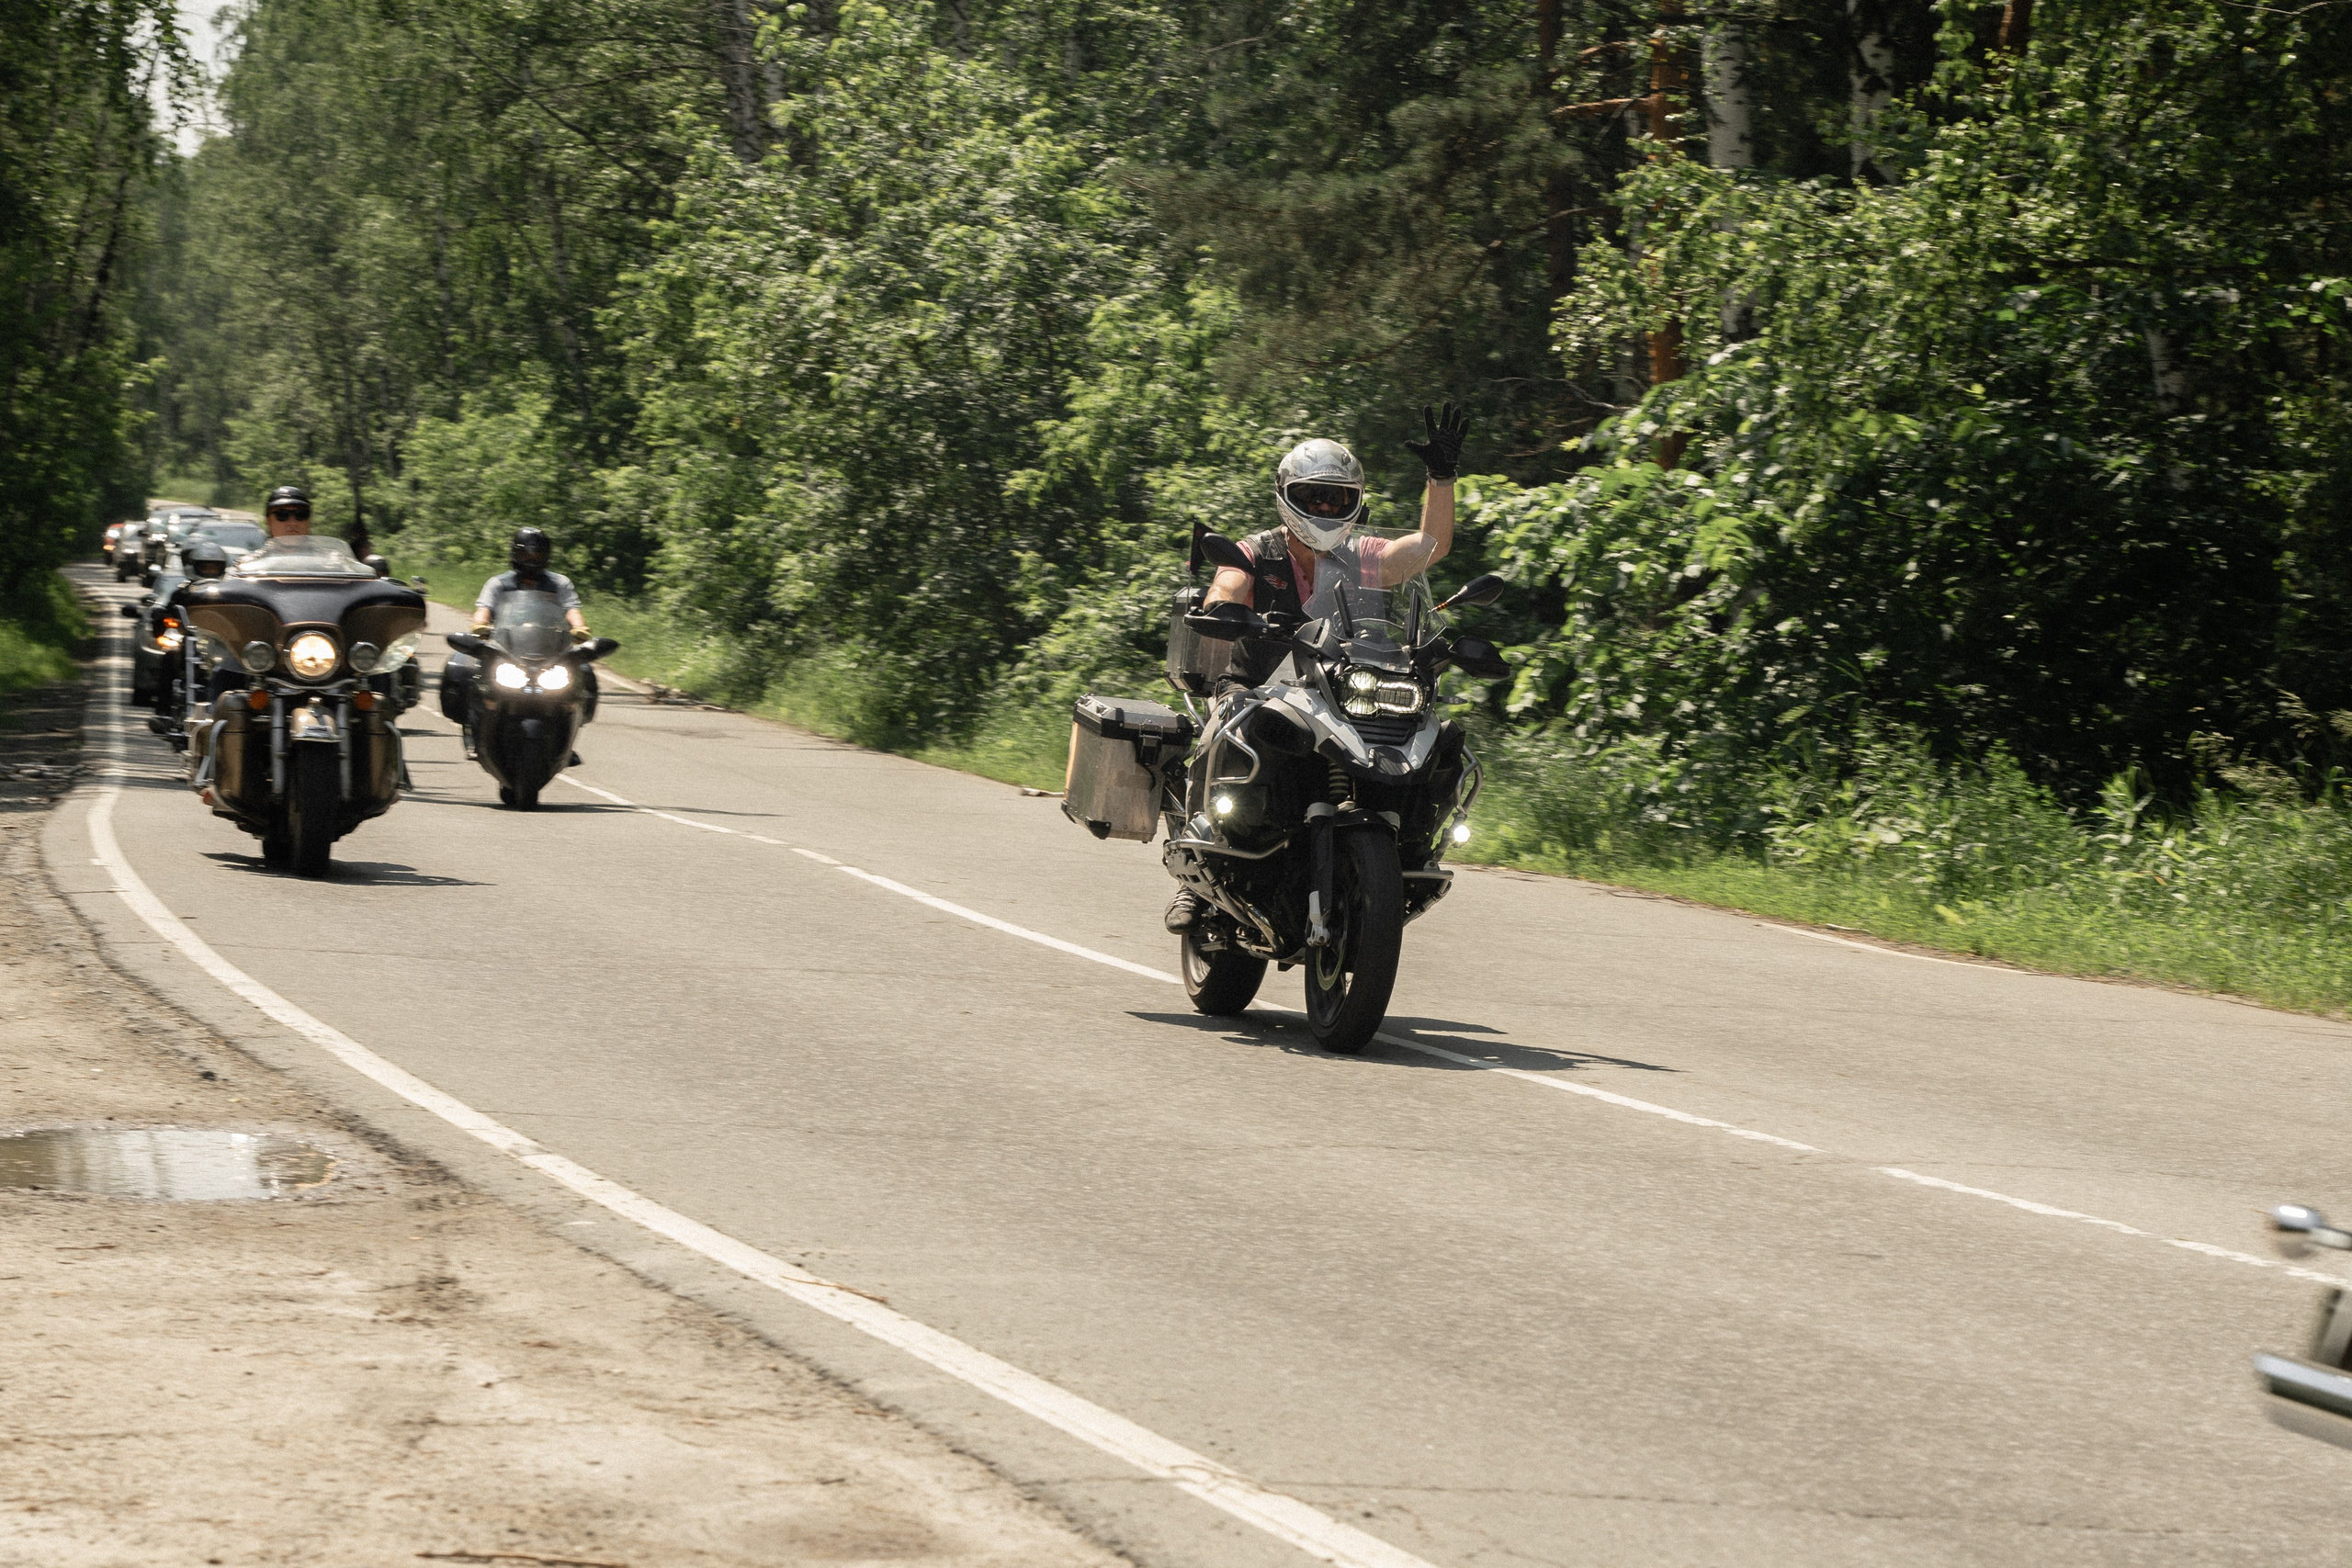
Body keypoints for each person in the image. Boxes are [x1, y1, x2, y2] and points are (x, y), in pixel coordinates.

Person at [1164, 401, 1471, 934]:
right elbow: (1227, 585)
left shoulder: (1365, 556)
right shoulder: (1255, 552)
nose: (1326, 507)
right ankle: (1196, 883)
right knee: (1224, 726)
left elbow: (1428, 547)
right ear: (1288, 498)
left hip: (1340, 688)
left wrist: (1440, 478)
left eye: (1339, 497)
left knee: (1429, 737)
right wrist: (1226, 609)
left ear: (1356, 502)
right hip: (1262, 686)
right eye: (1315, 496)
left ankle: (1401, 852)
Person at [446, 527, 596, 761]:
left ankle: (567, 737)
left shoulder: (559, 584)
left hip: (549, 648)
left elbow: (571, 610)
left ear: (547, 556)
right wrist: (481, 625)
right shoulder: (499, 584)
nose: (532, 560)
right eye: (527, 555)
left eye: (538, 556)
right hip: (507, 647)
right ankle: (474, 731)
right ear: (516, 555)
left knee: (584, 673)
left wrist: (579, 628)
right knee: (469, 674)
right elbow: (483, 609)